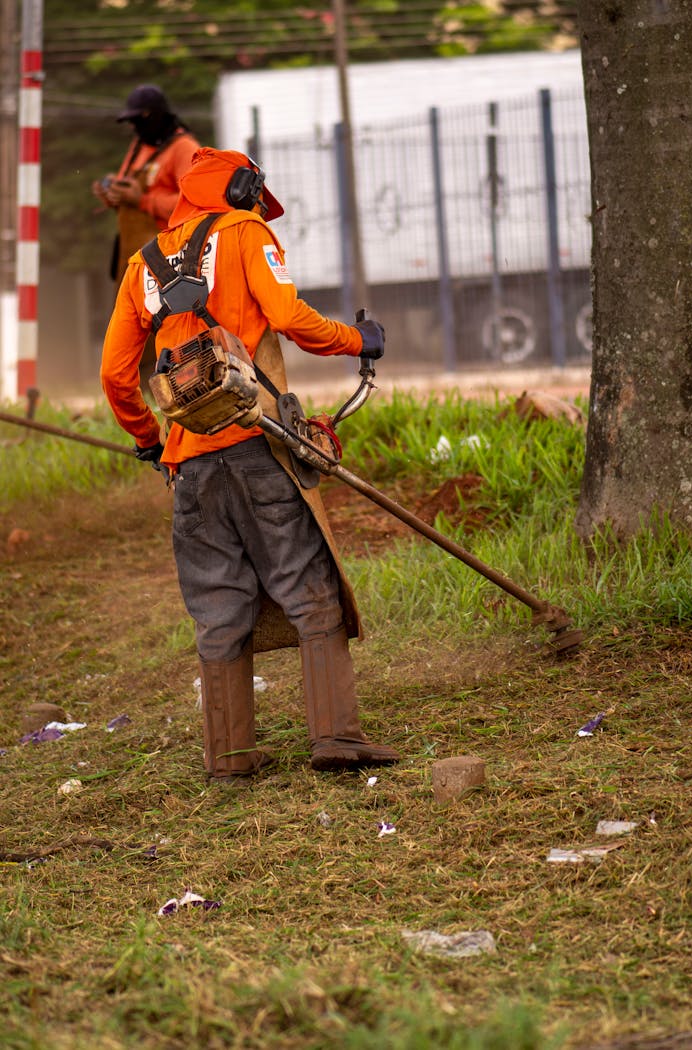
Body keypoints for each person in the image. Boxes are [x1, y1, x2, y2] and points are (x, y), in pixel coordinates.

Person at [100, 146, 400, 779]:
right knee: (308, 585)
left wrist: (150, 442)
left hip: (190, 463)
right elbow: (289, 318)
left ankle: (230, 757)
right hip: (257, 439)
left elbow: (114, 375)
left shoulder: (140, 266)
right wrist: (358, 340)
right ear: (241, 188)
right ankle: (336, 739)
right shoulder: (244, 231)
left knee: (218, 603)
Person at [92, 84, 200, 286]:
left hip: (167, 261)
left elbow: (193, 205)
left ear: (155, 116)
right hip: (132, 256)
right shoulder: (140, 144)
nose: (133, 127)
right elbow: (126, 190)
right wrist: (112, 193)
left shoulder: (185, 149)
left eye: (137, 120)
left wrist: (142, 201)